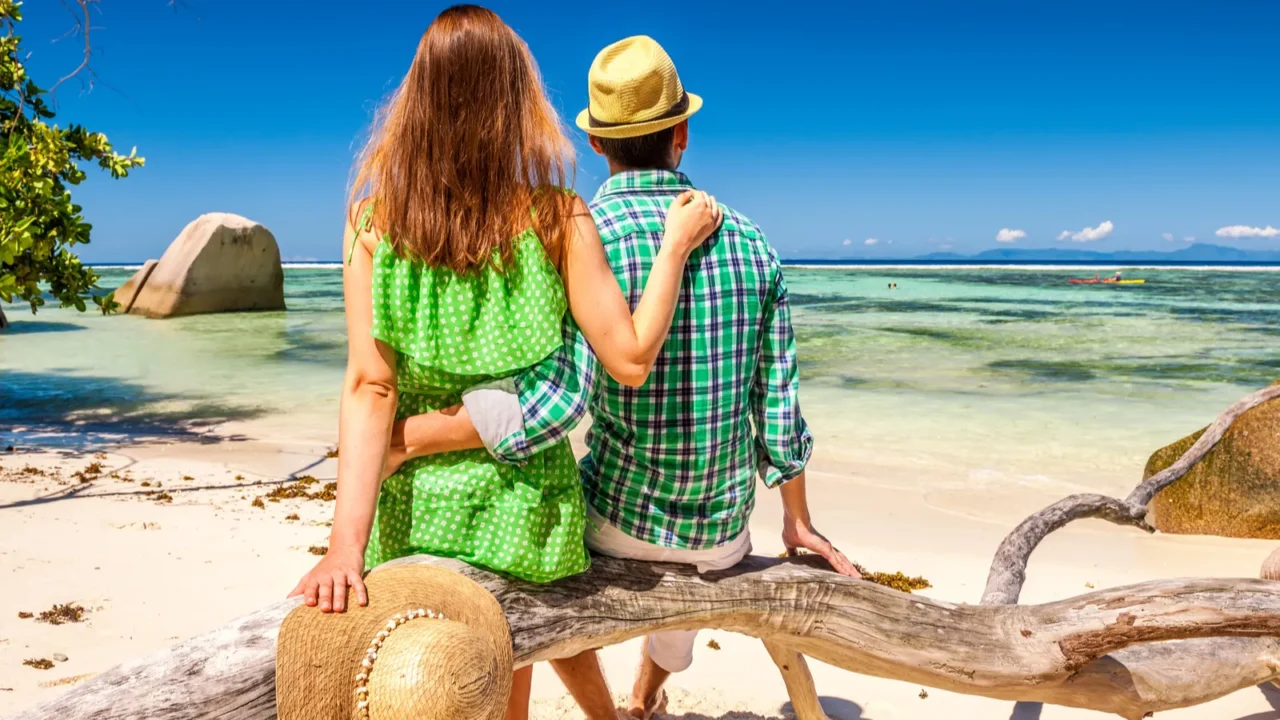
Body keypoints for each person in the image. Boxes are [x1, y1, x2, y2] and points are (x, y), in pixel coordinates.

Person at [385, 35, 860, 720]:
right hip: (720, 531)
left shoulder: (579, 230)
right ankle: (646, 695)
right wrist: (798, 522)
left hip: (614, 521)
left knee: (544, 538)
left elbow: (560, 394)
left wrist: (424, 431)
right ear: (683, 135)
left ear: (599, 146)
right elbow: (778, 405)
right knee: (707, 535)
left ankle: (610, 710)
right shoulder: (754, 244)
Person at [286, 9, 721, 720]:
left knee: (414, 684)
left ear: (416, 102)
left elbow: (371, 386)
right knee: (495, 692)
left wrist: (343, 548)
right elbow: (630, 360)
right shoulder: (559, 218)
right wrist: (673, 249)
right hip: (524, 516)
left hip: (413, 507)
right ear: (521, 103)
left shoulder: (373, 223)